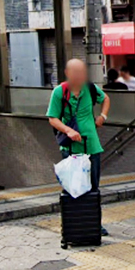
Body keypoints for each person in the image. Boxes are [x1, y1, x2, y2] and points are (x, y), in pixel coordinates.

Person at [47, 59, 111, 235]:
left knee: (93, 187)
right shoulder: (60, 92)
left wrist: (103, 117)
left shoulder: (89, 88)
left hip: (92, 146)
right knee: (73, 187)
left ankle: (93, 223)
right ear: (67, 73)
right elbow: (52, 118)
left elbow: (105, 98)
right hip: (71, 149)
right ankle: (74, 224)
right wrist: (68, 131)